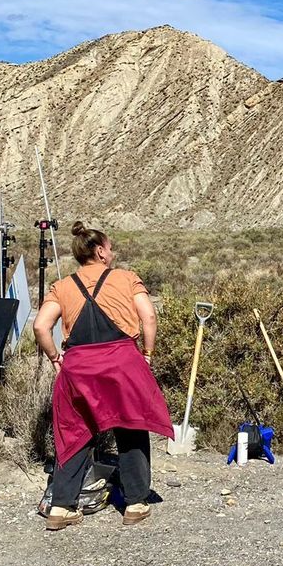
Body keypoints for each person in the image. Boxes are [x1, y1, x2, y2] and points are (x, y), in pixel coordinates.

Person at [34, 222, 174, 531]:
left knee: (74, 432)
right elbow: (148, 316)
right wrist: (147, 355)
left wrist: (56, 357)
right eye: (109, 247)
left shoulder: (62, 286)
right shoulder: (126, 279)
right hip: (122, 363)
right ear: (100, 252)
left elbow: (41, 327)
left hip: (79, 368)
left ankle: (61, 507)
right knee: (131, 426)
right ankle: (136, 503)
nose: (112, 252)